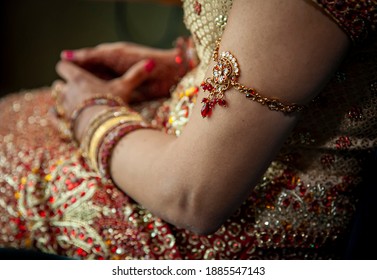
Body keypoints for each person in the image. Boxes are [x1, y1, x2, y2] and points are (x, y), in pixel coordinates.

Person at [0, 0, 376, 260]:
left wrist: (89, 112)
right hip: (199, 143)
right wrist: (184, 65)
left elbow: (192, 198)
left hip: (246, 216)